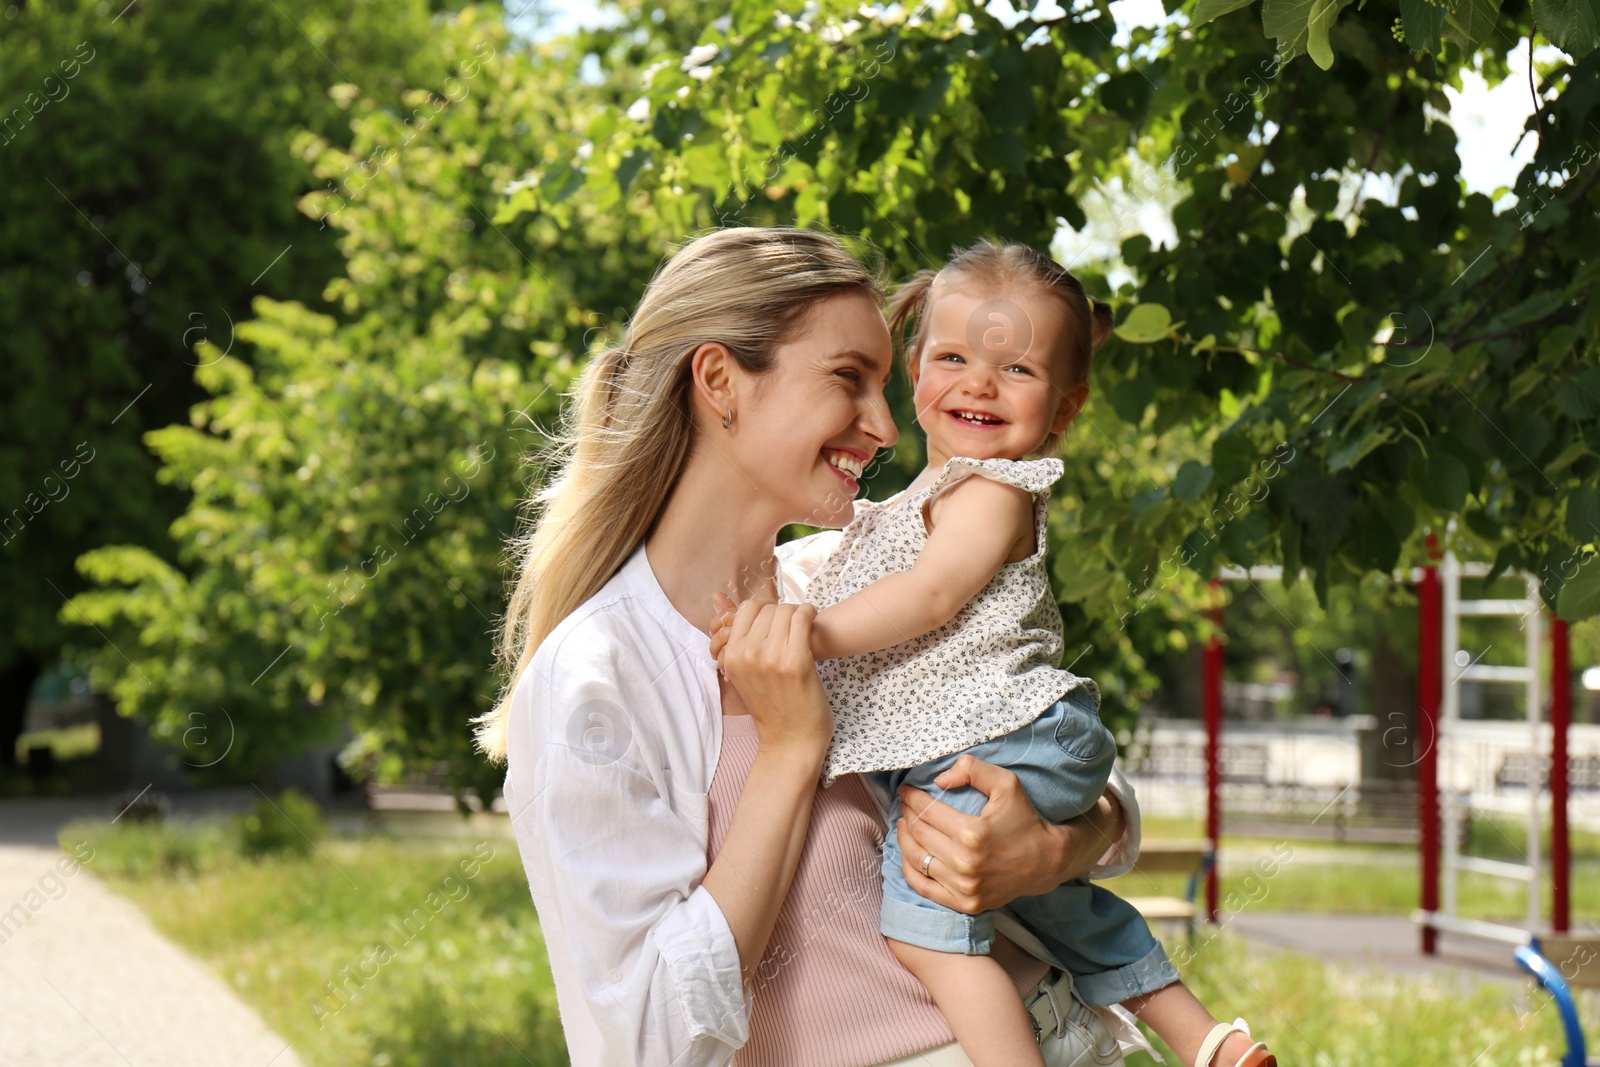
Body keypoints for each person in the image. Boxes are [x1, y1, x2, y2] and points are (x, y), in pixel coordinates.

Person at [476, 227, 1147, 1067]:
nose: (886, 428)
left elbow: (1048, 737)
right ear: (720, 381)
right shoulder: (596, 677)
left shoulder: (860, 574)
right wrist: (792, 748)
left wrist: (1058, 845)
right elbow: (650, 1043)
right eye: (847, 380)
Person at [711, 242, 1274, 1067]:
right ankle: (1208, 1041)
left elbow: (932, 594)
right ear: (914, 369)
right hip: (1002, 741)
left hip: (1006, 739)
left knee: (934, 937)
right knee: (1054, 906)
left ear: (1066, 407)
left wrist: (805, 633)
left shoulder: (991, 492)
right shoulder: (877, 524)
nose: (978, 382)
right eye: (954, 357)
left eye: (1016, 369)